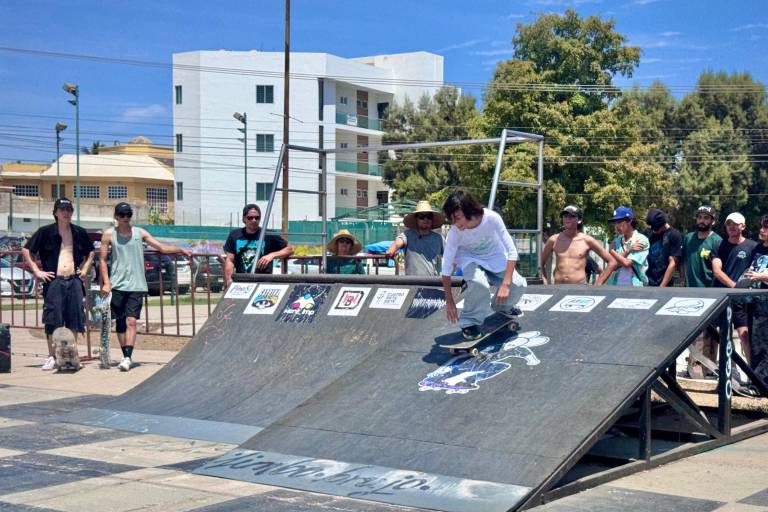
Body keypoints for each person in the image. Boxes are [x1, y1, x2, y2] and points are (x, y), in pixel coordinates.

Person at [100, 202, 191, 372]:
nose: (125, 218)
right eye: (122, 215)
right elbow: (102, 260)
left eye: (128, 214)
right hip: (117, 283)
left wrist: (180, 249)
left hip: (136, 284)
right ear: (116, 217)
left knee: (132, 321)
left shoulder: (139, 233)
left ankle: (128, 357)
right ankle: (125, 354)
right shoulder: (109, 234)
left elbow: (161, 247)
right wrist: (106, 282)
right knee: (120, 323)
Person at [440, 190, 526, 340]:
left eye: (457, 218)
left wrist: (505, 284)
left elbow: (512, 251)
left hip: (495, 256)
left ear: (469, 210)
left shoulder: (492, 218)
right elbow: (446, 267)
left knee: (519, 285)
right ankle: (469, 322)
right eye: (452, 220)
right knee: (479, 284)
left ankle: (501, 307)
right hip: (469, 258)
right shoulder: (454, 232)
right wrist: (449, 301)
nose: (455, 223)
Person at [22, 198, 94, 370]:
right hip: (54, 280)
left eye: (68, 209)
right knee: (52, 319)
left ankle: (70, 356)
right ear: (55, 212)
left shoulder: (79, 232)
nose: (65, 213)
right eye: (62, 209)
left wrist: (85, 269)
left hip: (74, 280)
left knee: (74, 318)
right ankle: (52, 356)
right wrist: (37, 271)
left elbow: (91, 251)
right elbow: (26, 249)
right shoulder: (45, 232)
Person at [680, 205, 722, 379]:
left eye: (706, 218)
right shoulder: (688, 238)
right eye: (700, 217)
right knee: (694, 333)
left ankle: (708, 369)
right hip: (691, 292)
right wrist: (683, 283)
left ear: (713, 221)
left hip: (711, 293)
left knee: (710, 333)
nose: (702, 221)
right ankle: (694, 369)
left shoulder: (717, 241)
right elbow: (682, 262)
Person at [712, 212, 757, 369]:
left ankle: (753, 373)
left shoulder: (753, 247)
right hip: (722, 297)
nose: (732, 227)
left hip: (742, 300)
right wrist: (734, 287)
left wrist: (743, 289)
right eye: (729, 224)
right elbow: (717, 271)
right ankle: (729, 369)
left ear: (743, 226)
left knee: (745, 336)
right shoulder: (719, 245)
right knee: (722, 335)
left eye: (736, 224)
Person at [540, 205, 615, 285]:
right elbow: (540, 264)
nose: (567, 219)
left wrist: (598, 284)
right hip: (558, 288)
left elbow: (612, 262)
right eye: (565, 216)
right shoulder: (553, 240)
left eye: (571, 216)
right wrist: (544, 283)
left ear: (579, 220)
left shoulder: (587, 240)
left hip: (579, 289)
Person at [223, 204, 294, 287]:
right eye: (250, 218)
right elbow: (230, 260)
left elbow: (290, 249)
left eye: (257, 218)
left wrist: (271, 255)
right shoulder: (234, 235)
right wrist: (229, 280)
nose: (254, 220)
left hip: (263, 283)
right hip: (242, 282)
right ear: (244, 219)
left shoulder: (268, 234)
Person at [386, 201, 445, 276]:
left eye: (429, 217)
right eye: (422, 217)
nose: (425, 219)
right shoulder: (408, 235)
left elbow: (450, 256)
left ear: (432, 219)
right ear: (416, 219)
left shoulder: (439, 238)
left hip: (434, 281)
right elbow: (398, 242)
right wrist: (391, 250)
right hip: (412, 281)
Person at [744, 214, 768, 392]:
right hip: (754, 301)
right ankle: (755, 381)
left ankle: (761, 385)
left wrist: (760, 276)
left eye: (766, 227)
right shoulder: (757, 248)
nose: (762, 230)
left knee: (763, 345)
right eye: (761, 226)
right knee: (755, 343)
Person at [605, 206, 649, 287]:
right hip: (615, 286)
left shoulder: (641, 240)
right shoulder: (616, 241)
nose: (616, 226)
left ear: (629, 220)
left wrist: (612, 251)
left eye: (619, 222)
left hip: (635, 287)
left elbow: (627, 263)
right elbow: (612, 266)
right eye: (615, 223)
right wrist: (628, 250)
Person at [644, 208, 683, 287]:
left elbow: (672, 263)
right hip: (647, 282)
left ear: (663, 224)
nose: (654, 231)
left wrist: (662, 287)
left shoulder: (674, 235)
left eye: (656, 228)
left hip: (664, 284)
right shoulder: (649, 234)